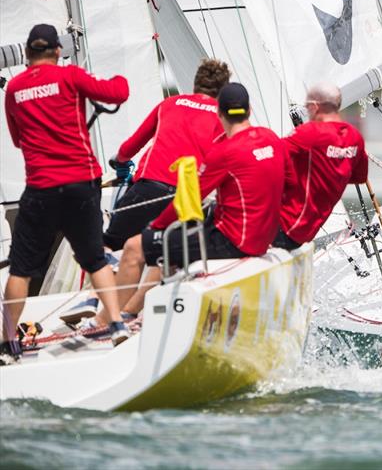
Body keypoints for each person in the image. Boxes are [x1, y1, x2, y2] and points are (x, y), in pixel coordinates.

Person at [59, 59, 231, 325]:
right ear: (222, 92)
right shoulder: (222, 117)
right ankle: (130, 312)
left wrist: (119, 161)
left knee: (108, 244)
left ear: (195, 83)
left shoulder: (169, 104)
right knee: (164, 254)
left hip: (148, 187)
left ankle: (94, 298)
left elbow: (131, 146)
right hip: (184, 198)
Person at [1, 24, 131, 364]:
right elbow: (119, 92)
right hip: (80, 184)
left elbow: (17, 139)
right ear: (58, 51)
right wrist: (106, 77)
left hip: (41, 188)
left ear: (28, 54)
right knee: (94, 258)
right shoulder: (71, 77)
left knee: (21, 270)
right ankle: (117, 325)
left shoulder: (13, 88)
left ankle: (8, 342)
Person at [109, 82, 288, 317]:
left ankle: (108, 320)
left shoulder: (225, 152)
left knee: (136, 245)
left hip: (230, 241)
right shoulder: (271, 138)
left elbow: (192, 196)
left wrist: (155, 227)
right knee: (171, 245)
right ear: (250, 110)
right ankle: (131, 311)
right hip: (261, 239)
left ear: (220, 113)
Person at [273, 82, 368, 250]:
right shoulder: (355, 137)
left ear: (315, 107)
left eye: (307, 106)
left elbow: (265, 157)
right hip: (305, 231)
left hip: (283, 226)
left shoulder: (310, 133)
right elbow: (358, 177)